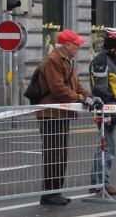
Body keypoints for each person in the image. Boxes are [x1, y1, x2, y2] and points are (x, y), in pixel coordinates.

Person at [37, 29, 99, 206]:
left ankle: (55, 191)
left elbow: (76, 85)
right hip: (51, 114)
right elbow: (58, 89)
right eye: (76, 44)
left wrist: (89, 96)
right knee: (53, 153)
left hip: (61, 113)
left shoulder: (67, 61)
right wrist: (81, 99)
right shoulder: (54, 60)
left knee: (60, 153)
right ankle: (50, 193)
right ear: (67, 45)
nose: (79, 47)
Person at [88, 28, 116, 196]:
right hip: (108, 110)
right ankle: (101, 183)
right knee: (106, 148)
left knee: (107, 147)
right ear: (113, 45)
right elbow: (100, 89)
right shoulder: (102, 60)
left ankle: (99, 183)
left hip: (114, 110)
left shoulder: (112, 60)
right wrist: (106, 112)